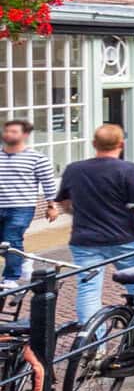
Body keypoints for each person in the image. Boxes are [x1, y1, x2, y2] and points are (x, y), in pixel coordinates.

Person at [57, 123, 134, 333]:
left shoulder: (74, 169)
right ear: (121, 144)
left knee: (88, 289)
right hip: (125, 239)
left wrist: (81, 212)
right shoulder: (129, 170)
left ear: (93, 144)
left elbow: (65, 203)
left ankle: (93, 344)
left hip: (85, 241)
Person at [0, 120, 57, 283]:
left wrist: (51, 206)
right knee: (5, 244)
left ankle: (10, 278)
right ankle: (24, 259)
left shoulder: (37, 158)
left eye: (13, 131)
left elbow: (48, 183)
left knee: (11, 240)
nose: (8, 134)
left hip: (21, 207)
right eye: (7, 131)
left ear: (25, 135)